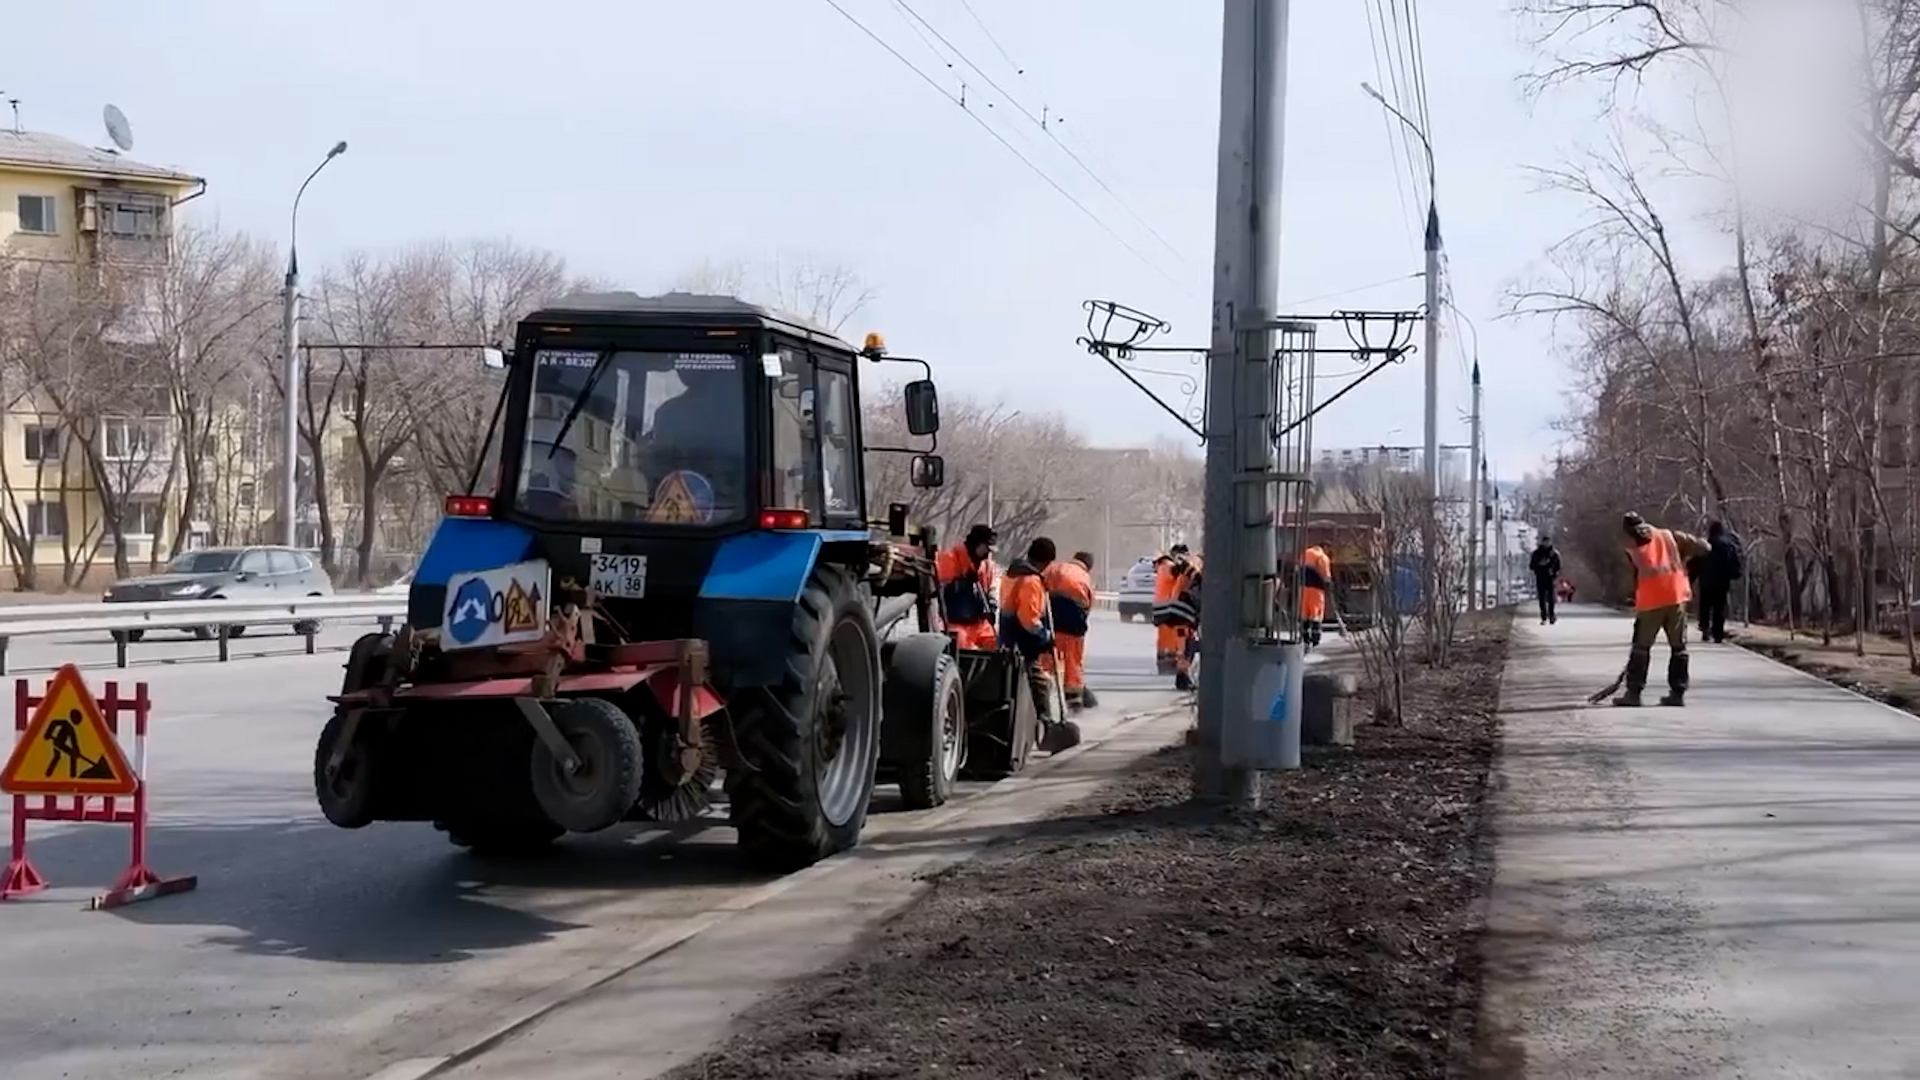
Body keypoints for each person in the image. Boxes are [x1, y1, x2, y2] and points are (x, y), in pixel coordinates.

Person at [1614, 511, 1711, 708]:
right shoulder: (1668, 535)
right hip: (1676, 597)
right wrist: (1688, 572)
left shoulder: (1629, 545)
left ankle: (1634, 693)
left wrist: (1632, 595)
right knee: (1679, 648)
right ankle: (1677, 693)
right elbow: (1705, 547)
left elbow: (1633, 575)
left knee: (1641, 648)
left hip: (1650, 601)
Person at [1000, 537, 1063, 728]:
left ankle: (1027, 724)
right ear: (1046, 561)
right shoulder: (1031, 581)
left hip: (1008, 639)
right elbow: (1028, 619)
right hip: (1023, 642)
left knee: (1014, 686)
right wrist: (1045, 636)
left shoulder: (1012, 575)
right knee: (1039, 684)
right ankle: (1046, 724)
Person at [1043, 549, 1098, 712]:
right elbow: (1088, 605)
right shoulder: (1085, 577)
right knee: (1072, 664)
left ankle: (1041, 695)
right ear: (1088, 566)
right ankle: (1074, 701)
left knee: (1046, 661)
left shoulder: (1055, 568)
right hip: (1072, 625)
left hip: (1051, 621)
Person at [935, 524, 1000, 651]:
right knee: (962, 648)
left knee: (996, 645)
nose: (988, 553)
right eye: (986, 548)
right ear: (976, 544)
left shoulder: (986, 565)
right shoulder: (950, 558)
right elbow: (940, 590)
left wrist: (992, 604)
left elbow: (991, 589)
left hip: (980, 623)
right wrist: (962, 583)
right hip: (955, 623)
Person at [1153, 544, 1203, 691]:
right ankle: (1181, 676)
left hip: (1172, 612)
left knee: (1183, 644)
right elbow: (1184, 569)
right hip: (1178, 612)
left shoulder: (1167, 568)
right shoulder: (1173, 567)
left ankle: (1179, 672)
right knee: (1184, 644)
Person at [1697, 520, 1743, 643]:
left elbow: (1696, 562)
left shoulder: (1705, 545)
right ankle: (1718, 633)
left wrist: (1692, 575)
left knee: (1705, 606)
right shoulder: (1728, 546)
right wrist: (1735, 574)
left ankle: (1705, 628)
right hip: (1722, 581)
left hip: (1706, 580)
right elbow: (1734, 562)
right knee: (1719, 607)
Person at [1298, 543, 1333, 649]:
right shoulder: (1322, 557)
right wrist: (1329, 586)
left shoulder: (1305, 553)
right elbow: (1326, 577)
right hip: (1316, 590)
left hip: (1303, 588)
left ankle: (1305, 639)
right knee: (1315, 615)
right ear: (1325, 548)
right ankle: (1315, 640)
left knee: (1304, 615)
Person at [1529, 535, 1563, 625]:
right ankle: (1543, 616)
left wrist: (1554, 572)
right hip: (1540, 577)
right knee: (1542, 598)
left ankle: (1551, 615)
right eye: (1545, 542)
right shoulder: (1537, 554)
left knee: (1551, 598)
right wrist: (1539, 566)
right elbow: (1532, 566)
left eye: (1548, 542)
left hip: (1551, 578)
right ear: (1542, 542)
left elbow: (1559, 566)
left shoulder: (1554, 554)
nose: (1546, 544)